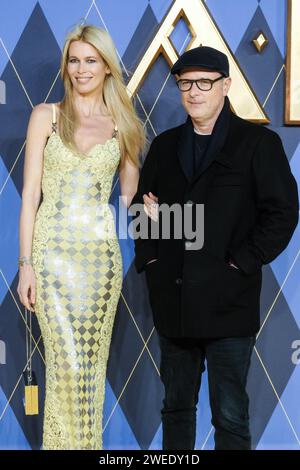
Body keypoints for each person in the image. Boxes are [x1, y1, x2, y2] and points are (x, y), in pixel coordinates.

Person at [132, 46, 299, 450]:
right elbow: (142, 210)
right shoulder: (165, 146)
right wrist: (153, 256)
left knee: (229, 413)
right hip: (173, 302)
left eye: (204, 83)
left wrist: (241, 262)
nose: (194, 92)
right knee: (175, 408)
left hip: (229, 303)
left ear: (225, 86)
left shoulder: (257, 143)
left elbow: (282, 212)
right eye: (186, 84)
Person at [17, 24, 145, 450]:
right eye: (74, 60)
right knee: (64, 364)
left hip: (99, 265)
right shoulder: (45, 116)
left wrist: (162, 204)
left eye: (91, 60)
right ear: (65, 66)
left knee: (89, 369)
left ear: (107, 67)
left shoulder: (122, 125)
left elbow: (128, 199)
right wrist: (26, 266)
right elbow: (31, 195)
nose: (81, 68)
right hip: (51, 260)